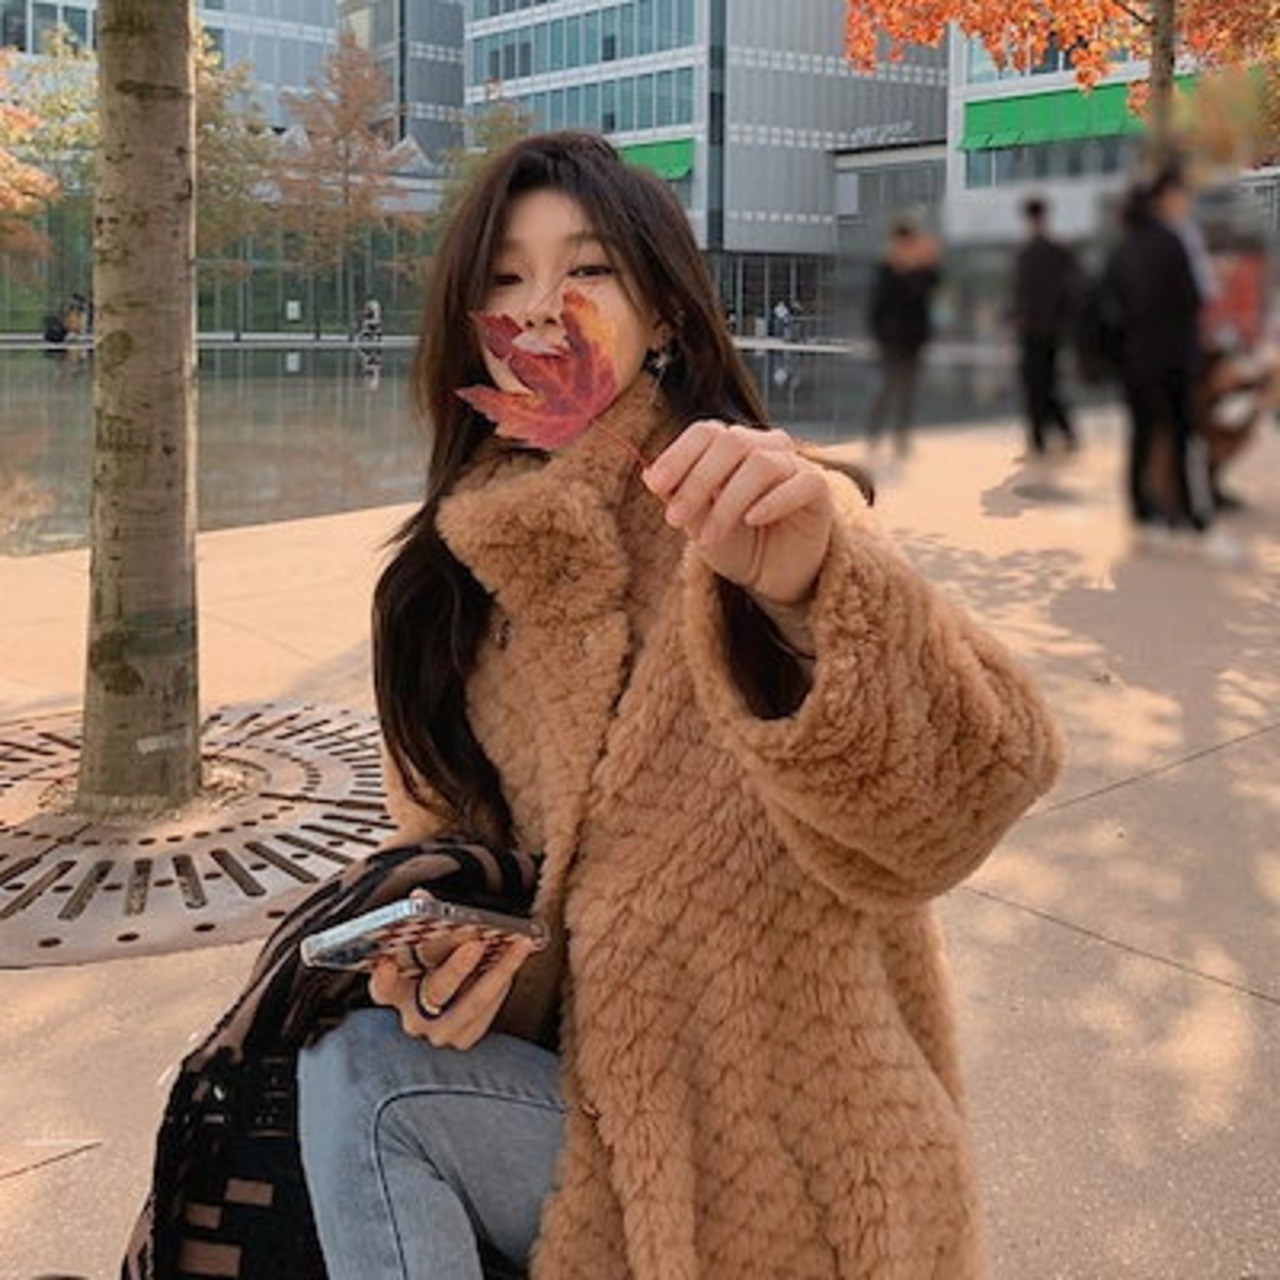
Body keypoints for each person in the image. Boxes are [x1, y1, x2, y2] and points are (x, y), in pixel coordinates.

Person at [296, 131, 1061, 1280]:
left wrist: (809, 592)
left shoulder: (766, 512)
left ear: (661, 312)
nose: (539, 307)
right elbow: (454, 864)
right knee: (360, 1067)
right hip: (592, 1146)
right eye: (503, 277)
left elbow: (955, 806)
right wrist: (450, 958)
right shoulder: (433, 598)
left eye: (586, 269)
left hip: (805, 1165)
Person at [1108, 165, 1220, 547]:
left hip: (1135, 357)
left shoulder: (1125, 247)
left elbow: (1112, 302)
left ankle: (1140, 506)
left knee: (1142, 433)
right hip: (1173, 354)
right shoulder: (1172, 241)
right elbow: (1192, 297)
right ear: (1164, 199)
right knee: (1181, 433)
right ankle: (1184, 511)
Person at [866, 218, 942, 457]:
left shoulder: (921, 269)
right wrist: (878, 335)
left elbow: (932, 285)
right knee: (889, 386)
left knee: (908, 388)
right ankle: (875, 431)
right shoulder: (887, 269)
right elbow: (878, 305)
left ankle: (901, 436)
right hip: (891, 337)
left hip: (913, 338)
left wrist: (926, 263)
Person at [1012, 196, 1080, 457]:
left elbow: (1022, 295)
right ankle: (1050, 435)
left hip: (1035, 328)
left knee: (1037, 384)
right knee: (1044, 383)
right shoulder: (1056, 251)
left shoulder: (1028, 253)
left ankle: (1042, 437)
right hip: (1049, 329)